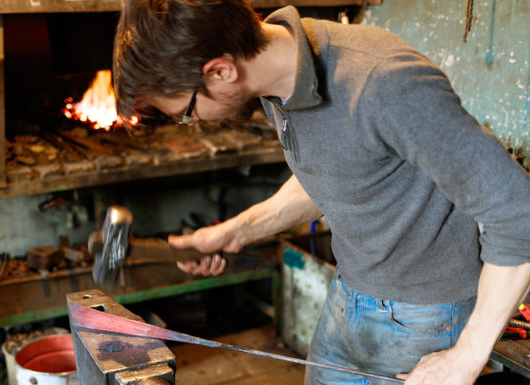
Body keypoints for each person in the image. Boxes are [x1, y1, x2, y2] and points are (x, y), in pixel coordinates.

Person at [112, 1, 530, 384]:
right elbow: (338, 172)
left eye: (186, 113)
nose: (195, 122)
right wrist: (237, 232)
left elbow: (518, 212)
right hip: (347, 292)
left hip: (424, 317)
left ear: (221, 71)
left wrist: (467, 355)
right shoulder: (283, 81)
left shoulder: (383, 84)